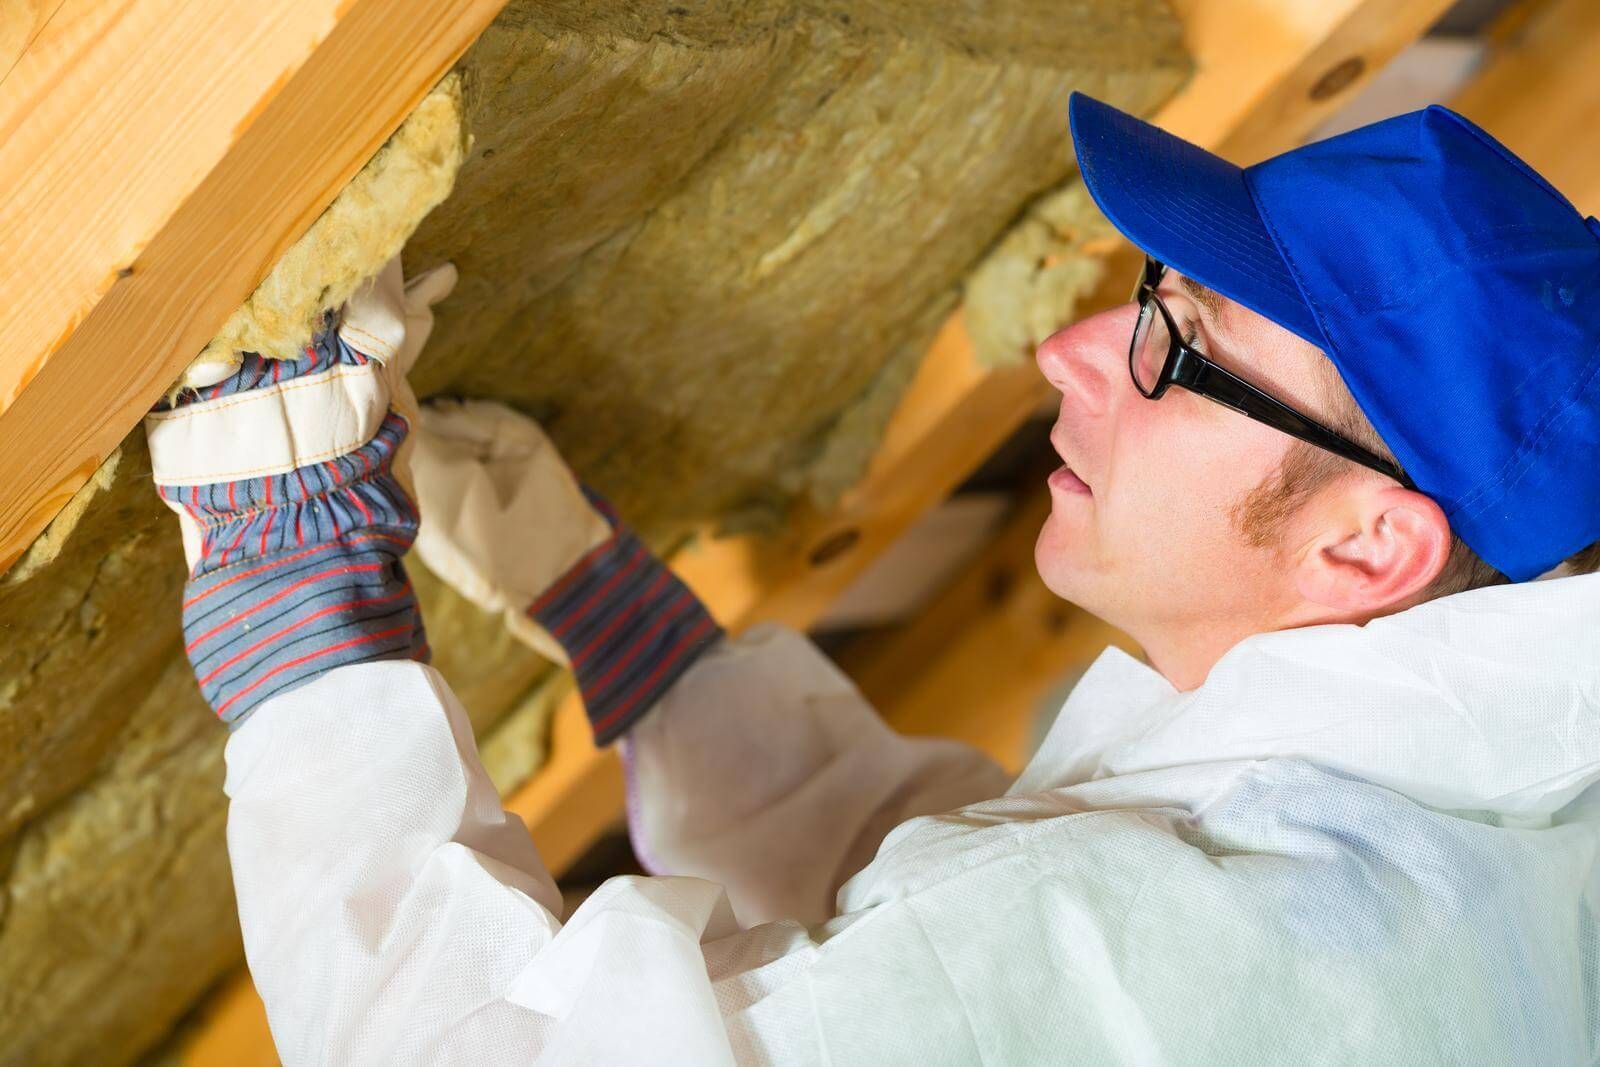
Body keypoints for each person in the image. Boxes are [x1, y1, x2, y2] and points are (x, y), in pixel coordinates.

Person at [141, 93, 1600, 1064]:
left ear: (1369, 545)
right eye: (1145, 291)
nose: (1073, 352)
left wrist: (304, 609)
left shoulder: (1224, 960)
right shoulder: (1453, 824)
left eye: (1179, 348)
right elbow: (955, 916)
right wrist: (606, 607)